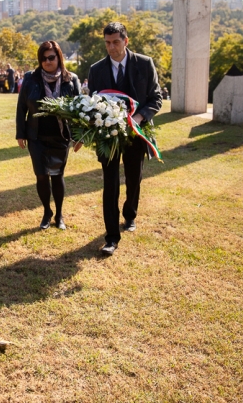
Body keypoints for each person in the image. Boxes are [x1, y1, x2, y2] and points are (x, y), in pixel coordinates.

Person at [87, 22, 162, 255]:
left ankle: (130, 215)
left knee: (133, 178)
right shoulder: (96, 70)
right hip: (107, 136)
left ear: (126, 41)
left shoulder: (145, 64)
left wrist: (138, 118)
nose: (111, 47)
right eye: (107, 43)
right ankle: (111, 237)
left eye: (116, 42)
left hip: (135, 133)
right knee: (109, 184)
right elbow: (93, 104)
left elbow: (156, 98)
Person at [16, 40, 83, 230]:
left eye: (51, 57)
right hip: (36, 136)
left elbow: (79, 110)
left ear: (59, 57)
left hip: (61, 136)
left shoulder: (71, 80)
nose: (47, 61)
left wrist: (80, 136)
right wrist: (20, 133)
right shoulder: (31, 78)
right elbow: (21, 108)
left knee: (57, 175)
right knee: (41, 176)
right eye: (43, 58)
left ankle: (59, 214)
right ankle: (47, 212)